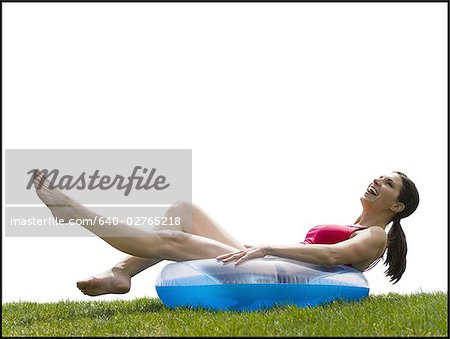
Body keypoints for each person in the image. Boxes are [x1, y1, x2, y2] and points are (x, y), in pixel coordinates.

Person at [32, 170, 419, 296]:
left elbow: (333, 258)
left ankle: (74, 212)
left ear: (396, 206)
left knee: (177, 242)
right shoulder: (354, 225)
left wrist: (265, 248)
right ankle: (121, 272)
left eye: (386, 184)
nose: (376, 182)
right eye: (378, 177)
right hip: (275, 263)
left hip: (284, 275)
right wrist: (260, 248)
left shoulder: (375, 236)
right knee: (184, 210)